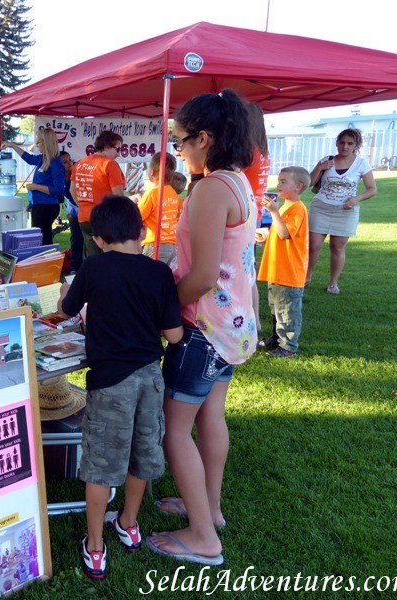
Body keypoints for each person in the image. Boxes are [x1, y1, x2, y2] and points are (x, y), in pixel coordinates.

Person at [148, 88, 257, 567]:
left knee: (175, 430)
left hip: (204, 329)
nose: (179, 151)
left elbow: (203, 276)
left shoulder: (211, 189)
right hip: (232, 328)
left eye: (182, 141)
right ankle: (209, 509)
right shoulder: (236, 181)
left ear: (205, 139)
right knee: (211, 416)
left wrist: (163, 307)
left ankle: (202, 537)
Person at [57, 195, 183, 580]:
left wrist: (68, 292)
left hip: (110, 382)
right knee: (141, 453)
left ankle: (95, 548)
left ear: (98, 238)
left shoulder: (94, 268)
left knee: (100, 465)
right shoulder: (160, 272)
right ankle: (128, 523)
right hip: (150, 377)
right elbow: (174, 335)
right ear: (142, 232)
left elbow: (65, 308)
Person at [306, 128, 377, 294]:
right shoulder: (327, 160)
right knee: (314, 246)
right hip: (321, 207)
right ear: (337, 143)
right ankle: (307, 276)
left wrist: (355, 199)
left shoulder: (361, 164)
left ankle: (333, 283)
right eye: (342, 142)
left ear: (356, 145)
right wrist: (321, 168)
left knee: (337, 247)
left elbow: (372, 189)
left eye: (350, 143)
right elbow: (309, 182)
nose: (345, 146)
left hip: (345, 211)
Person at [256, 167, 311, 357]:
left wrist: (273, 212)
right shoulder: (286, 206)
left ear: (298, 186)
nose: (278, 184)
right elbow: (278, 232)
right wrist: (264, 234)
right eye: (279, 180)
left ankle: (288, 347)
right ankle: (276, 339)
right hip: (277, 269)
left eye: (283, 181)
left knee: (287, 312)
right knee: (277, 308)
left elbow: (285, 233)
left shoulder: (297, 208)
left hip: (288, 271)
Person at [3, 128, 65, 246]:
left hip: (47, 206)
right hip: (39, 205)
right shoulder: (42, 159)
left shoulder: (55, 162)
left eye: (38, 143)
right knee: (40, 238)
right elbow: (28, 158)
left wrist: (35, 186)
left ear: (46, 143)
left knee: (43, 240)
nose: (37, 145)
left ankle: (46, 263)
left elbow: (58, 189)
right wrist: (12, 145)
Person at [71, 131, 125, 258]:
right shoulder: (109, 164)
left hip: (84, 218)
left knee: (91, 256)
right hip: (105, 218)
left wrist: (83, 206)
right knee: (109, 257)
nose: (118, 153)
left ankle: (90, 277)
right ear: (107, 146)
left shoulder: (79, 163)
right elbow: (118, 196)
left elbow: (72, 190)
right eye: (117, 149)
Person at [243, 102, 272, 335]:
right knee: (247, 272)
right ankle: (255, 320)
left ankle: (252, 320)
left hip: (243, 216)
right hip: (255, 216)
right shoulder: (263, 151)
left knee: (244, 274)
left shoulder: (247, 152)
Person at [137, 152, 183, 264]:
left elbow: (137, 217)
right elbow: (178, 216)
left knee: (150, 277)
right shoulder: (174, 194)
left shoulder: (152, 194)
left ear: (152, 172)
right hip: (172, 245)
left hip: (154, 245)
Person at [60, 151, 84, 272]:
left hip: (83, 205)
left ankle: (84, 265)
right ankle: (75, 266)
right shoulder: (58, 177)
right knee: (76, 237)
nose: (69, 163)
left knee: (87, 237)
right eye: (65, 162)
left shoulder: (78, 170)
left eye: (70, 160)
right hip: (73, 206)